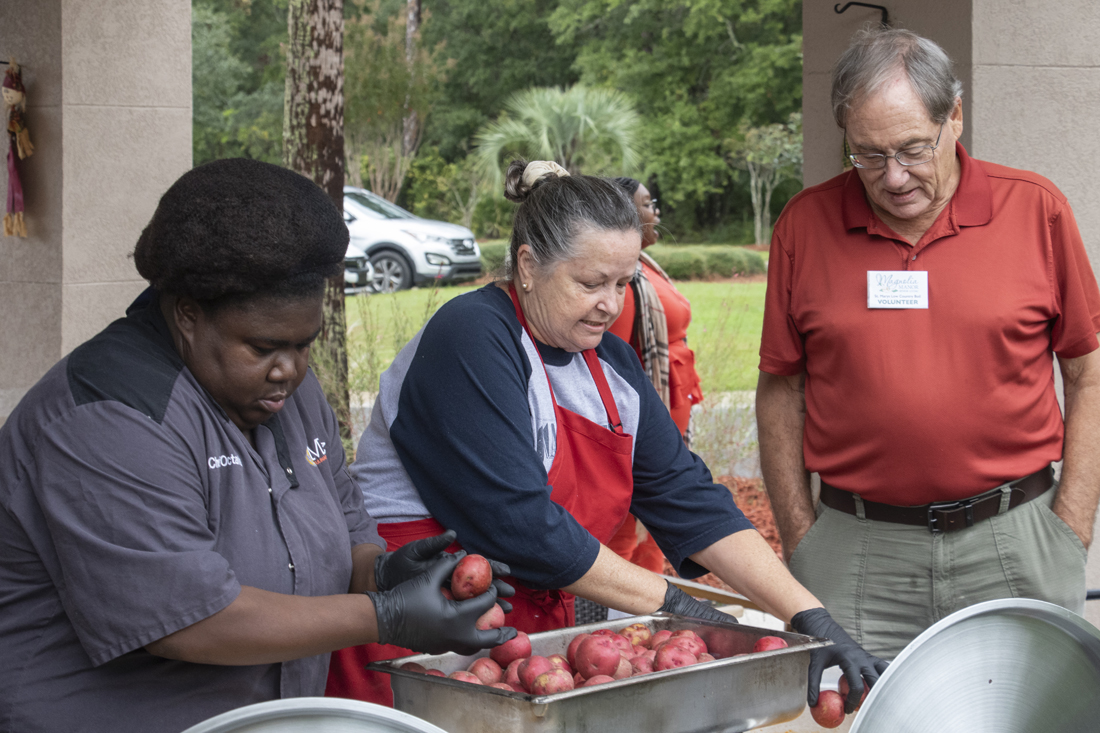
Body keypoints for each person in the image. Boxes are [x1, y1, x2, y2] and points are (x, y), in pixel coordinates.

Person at [327, 158, 886, 713]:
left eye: (624, 282)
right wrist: (680, 605)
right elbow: (522, 527)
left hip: (534, 650)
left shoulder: (610, 364)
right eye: (590, 282)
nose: (611, 305)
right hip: (422, 639)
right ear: (527, 264)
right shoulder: (471, 337)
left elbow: (689, 500)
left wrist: (809, 617)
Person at [0, 159, 515, 733]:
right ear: (188, 315)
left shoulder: (287, 391)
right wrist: (385, 615)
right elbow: (190, 621)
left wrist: (386, 572)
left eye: (305, 344)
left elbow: (345, 532)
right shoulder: (109, 416)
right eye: (264, 346)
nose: (289, 371)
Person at [757, 27, 1100, 662]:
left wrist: (1069, 526)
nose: (892, 177)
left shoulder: (1036, 210)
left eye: (913, 149)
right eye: (867, 155)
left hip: (1015, 536)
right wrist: (802, 537)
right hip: (857, 548)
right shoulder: (804, 224)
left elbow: (1088, 374)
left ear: (956, 117)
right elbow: (782, 389)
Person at [604, 176, 703, 574]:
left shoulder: (647, 268)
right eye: (647, 204)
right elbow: (614, 360)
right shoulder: (624, 281)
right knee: (627, 523)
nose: (655, 211)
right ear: (625, 214)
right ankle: (615, 614)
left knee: (656, 528)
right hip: (640, 423)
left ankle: (651, 607)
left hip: (670, 406)